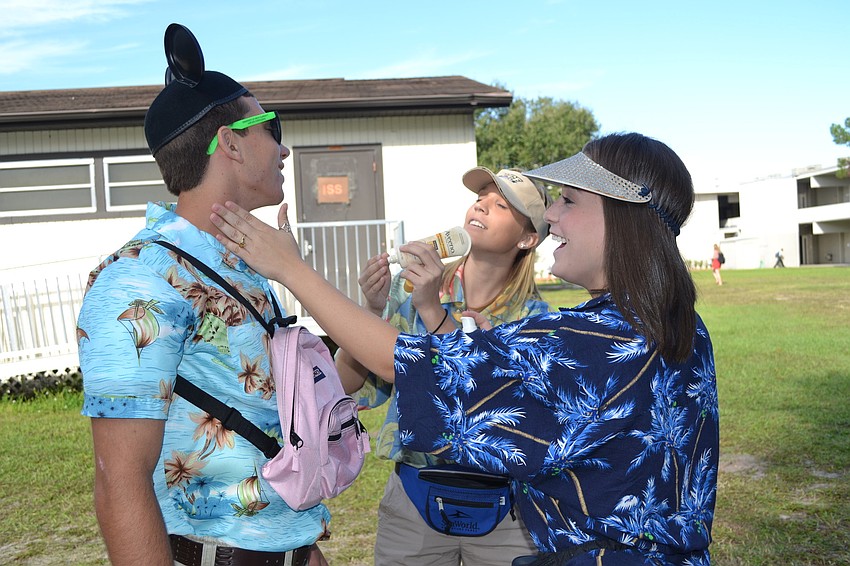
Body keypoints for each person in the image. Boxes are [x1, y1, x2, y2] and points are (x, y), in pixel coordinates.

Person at [210, 132, 719, 565]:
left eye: (569, 201)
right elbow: (489, 375)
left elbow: (416, 366)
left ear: (623, 216)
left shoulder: (594, 341)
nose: (554, 221)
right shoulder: (675, 326)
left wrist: (293, 271)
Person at [77, 25, 329, 566]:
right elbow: (118, 480)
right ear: (231, 144)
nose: (283, 148)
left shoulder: (245, 267)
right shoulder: (139, 279)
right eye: (271, 126)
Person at [335, 167, 552, 565]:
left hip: (509, 512)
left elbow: (483, 404)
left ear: (527, 238)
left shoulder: (537, 319)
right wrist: (370, 310)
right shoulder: (411, 286)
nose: (481, 207)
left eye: (500, 205)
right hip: (413, 503)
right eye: (480, 199)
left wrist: (432, 309)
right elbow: (347, 383)